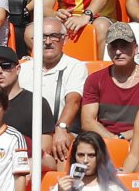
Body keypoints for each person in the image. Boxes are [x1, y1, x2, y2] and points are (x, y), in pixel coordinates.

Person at [17, 17, 87, 166]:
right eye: (42, 37)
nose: (48, 42)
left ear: (65, 39)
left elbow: (73, 101)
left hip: (59, 132)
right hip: (26, 134)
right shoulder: (23, 69)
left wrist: (61, 128)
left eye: (54, 36)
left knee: (64, 145)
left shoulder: (75, 66)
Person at [81, 22, 139, 141]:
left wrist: (122, 137)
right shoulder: (95, 79)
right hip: (105, 141)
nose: (118, 52)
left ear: (135, 48)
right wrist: (114, 141)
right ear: (108, 49)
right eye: (114, 46)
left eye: (124, 45)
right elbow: (87, 122)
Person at [0, 46, 55, 161]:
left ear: (17, 69)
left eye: (6, 66)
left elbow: (44, 149)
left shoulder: (36, 103)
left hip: (25, 166)